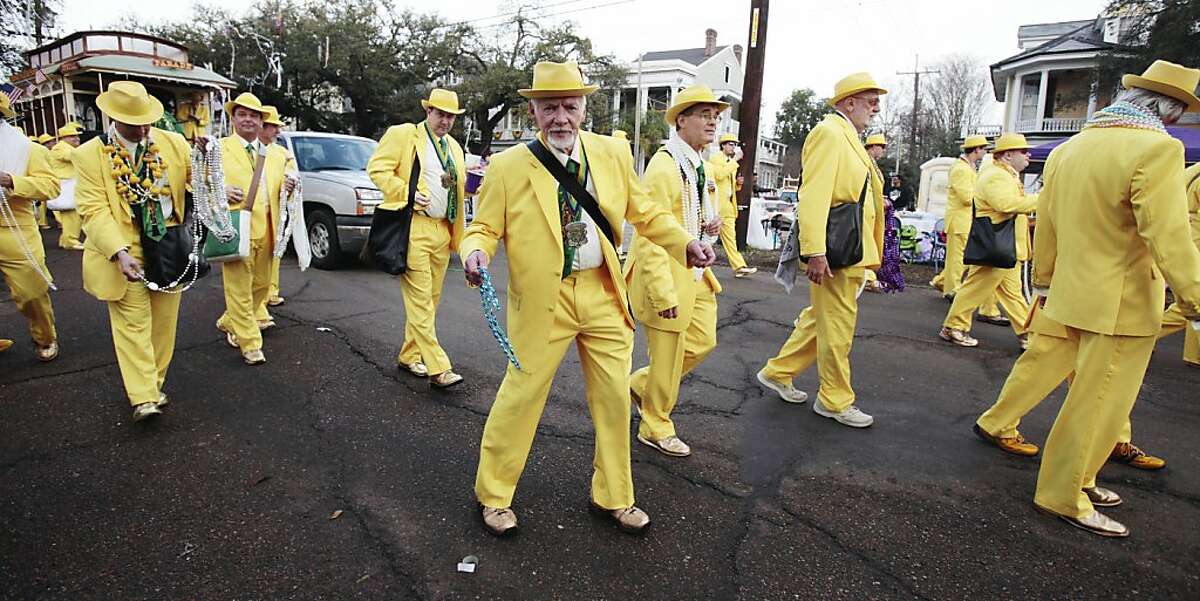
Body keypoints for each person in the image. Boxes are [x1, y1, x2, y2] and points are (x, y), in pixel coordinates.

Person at [461, 61, 716, 536]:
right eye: (549, 107)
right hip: (545, 300)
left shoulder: (612, 154)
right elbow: (483, 227)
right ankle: (494, 495)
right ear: (534, 111)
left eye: (569, 106)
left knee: (615, 399)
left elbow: (644, 211)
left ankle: (615, 496)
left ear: (584, 108)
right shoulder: (509, 165)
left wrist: (684, 242)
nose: (560, 117)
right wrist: (474, 253)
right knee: (521, 397)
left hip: (604, 291)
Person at [1030, 60, 1200, 537]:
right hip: (1122, 301)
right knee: (1101, 403)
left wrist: (1044, 279)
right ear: (1168, 110)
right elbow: (1168, 234)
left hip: (1075, 292)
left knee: (1089, 398)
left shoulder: (1072, 147)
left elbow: (1048, 221)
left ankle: (1078, 479)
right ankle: (1064, 491)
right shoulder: (1158, 149)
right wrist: (1194, 298)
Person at [756, 72, 886, 429]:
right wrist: (815, 252)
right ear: (849, 103)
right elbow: (813, 195)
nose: (875, 108)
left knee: (823, 319)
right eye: (870, 100)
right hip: (839, 249)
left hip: (852, 247)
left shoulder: (849, 136)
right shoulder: (831, 133)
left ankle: (779, 372)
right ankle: (834, 399)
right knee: (838, 326)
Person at [73, 81, 194, 421]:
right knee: (133, 322)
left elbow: (193, 181)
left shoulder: (172, 142)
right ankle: (143, 398)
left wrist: (216, 182)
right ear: (112, 117)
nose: (142, 130)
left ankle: (152, 384)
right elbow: (93, 209)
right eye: (133, 123)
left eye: (146, 122)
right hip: (124, 249)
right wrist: (118, 252)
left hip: (168, 244)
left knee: (163, 324)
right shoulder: (88, 154)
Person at [626, 85, 726, 458]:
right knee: (668, 356)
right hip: (665, 278)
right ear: (681, 120)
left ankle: (641, 383)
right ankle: (655, 425)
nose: (712, 122)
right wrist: (662, 293)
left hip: (695, 273)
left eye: (715, 116)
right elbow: (649, 231)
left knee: (703, 341)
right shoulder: (666, 164)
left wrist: (707, 224)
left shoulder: (699, 163)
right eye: (704, 115)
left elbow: (690, 214)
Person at [366, 89, 469, 388]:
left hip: (443, 230)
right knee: (421, 301)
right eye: (440, 114)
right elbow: (376, 169)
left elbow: (451, 186)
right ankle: (439, 367)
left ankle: (410, 354)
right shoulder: (404, 135)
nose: (445, 121)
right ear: (428, 111)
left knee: (431, 301)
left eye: (451, 116)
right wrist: (407, 193)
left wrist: (470, 185)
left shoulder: (454, 148)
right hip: (414, 228)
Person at [215, 92, 297, 366]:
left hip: (267, 227)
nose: (248, 120)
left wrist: (288, 187)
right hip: (235, 228)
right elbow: (199, 184)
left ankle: (231, 321)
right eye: (242, 114)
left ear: (261, 121)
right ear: (233, 119)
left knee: (261, 286)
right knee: (238, 288)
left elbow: (285, 186)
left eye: (253, 115)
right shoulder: (218, 148)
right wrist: (222, 190)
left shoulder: (275, 154)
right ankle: (250, 343)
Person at [938, 132, 1036, 349]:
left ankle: (1028, 334)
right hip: (996, 244)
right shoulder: (996, 176)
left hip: (1003, 246)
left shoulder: (1002, 174)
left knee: (1012, 293)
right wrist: (1043, 200)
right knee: (974, 287)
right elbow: (1006, 204)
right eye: (1023, 151)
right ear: (1008, 155)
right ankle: (954, 326)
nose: (1028, 154)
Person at [0, 93, 60, 362]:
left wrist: (11, 180)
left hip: (15, 226)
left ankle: (44, 336)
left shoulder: (28, 148)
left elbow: (51, 186)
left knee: (31, 291)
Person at [929, 136, 1008, 324]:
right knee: (958, 260)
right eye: (983, 149)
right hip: (959, 221)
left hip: (968, 221)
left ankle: (942, 282)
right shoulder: (960, 169)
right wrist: (987, 197)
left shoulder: (970, 168)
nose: (985, 153)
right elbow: (966, 197)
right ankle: (952, 291)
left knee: (964, 260)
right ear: (976, 150)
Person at [252, 105, 298, 328]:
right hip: (249, 220)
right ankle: (254, 315)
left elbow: (290, 178)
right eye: (273, 127)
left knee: (270, 262)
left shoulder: (281, 153)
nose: (277, 132)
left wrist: (289, 185)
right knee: (246, 273)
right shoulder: (244, 150)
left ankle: (268, 295)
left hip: (273, 218)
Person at [1157, 160, 1200, 367]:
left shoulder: (1189, 171)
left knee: (1193, 297)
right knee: (1192, 301)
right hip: (1195, 240)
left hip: (1181, 236)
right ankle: (1144, 334)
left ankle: (1195, 354)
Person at [863, 134, 903, 293]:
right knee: (868, 244)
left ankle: (869, 275)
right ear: (873, 146)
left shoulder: (872, 164)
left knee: (874, 243)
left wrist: (881, 199)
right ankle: (866, 277)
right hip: (868, 210)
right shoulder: (865, 162)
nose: (883, 150)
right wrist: (880, 200)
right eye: (881, 147)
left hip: (875, 210)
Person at [711, 133, 755, 277]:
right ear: (723, 145)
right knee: (706, 237)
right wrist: (735, 160)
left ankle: (739, 267)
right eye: (730, 144)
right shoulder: (716, 158)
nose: (733, 147)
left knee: (731, 239)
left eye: (735, 145)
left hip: (728, 206)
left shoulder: (730, 161)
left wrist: (737, 185)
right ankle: (697, 264)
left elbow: (728, 184)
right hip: (716, 206)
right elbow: (718, 175)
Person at [48, 122, 85, 250]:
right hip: (65, 184)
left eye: (77, 136)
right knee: (71, 214)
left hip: (69, 183)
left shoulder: (67, 147)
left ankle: (66, 240)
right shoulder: (60, 148)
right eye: (72, 136)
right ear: (64, 138)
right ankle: (70, 241)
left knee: (73, 214)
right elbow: (72, 157)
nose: (76, 138)